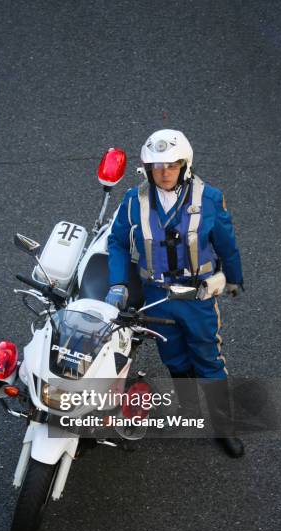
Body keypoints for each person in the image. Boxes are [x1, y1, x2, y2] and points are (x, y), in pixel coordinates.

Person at [105, 129, 245, 457]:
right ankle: (192, 405)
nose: (164, 172)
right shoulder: (132, 200)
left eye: (171, 165)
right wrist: (117, 284)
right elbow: (116, 242)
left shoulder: (209, 198)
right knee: (174, 356)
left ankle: (223, 426)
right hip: (157, 298)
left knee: (208, 358)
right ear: (148, 168)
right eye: (157, 166)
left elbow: (226, 242)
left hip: (197, 298)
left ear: (185, 165)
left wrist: (234, 278)